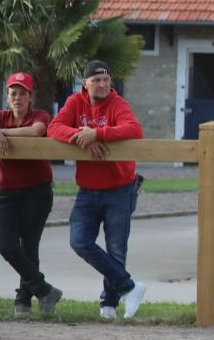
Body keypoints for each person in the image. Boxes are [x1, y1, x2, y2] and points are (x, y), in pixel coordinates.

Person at [49, 59, 146, 320]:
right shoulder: (74, 103)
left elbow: (134, 129)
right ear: (85, 83)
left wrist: (97, 134)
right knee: (79, 241)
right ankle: (130, 287)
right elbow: (53, 127)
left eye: (106, 80)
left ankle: (109, 304)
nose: (103, 84)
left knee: (116, 248)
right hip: (88, 189)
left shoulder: (118, 103)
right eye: (97, 80)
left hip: (120, 188)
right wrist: (82, 138)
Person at [0, 71, 61, 318]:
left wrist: (2, 132)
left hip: (37, 191)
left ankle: (23, 301)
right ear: (7, 97)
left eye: (22, 93)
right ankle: (44, 290)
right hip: (8, 192)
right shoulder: (0, 117)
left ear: (30, 96)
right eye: (13, 93)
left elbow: (36, 131)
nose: (17, 98)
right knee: (7, 246)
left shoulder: (39, 115)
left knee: (30, 247)